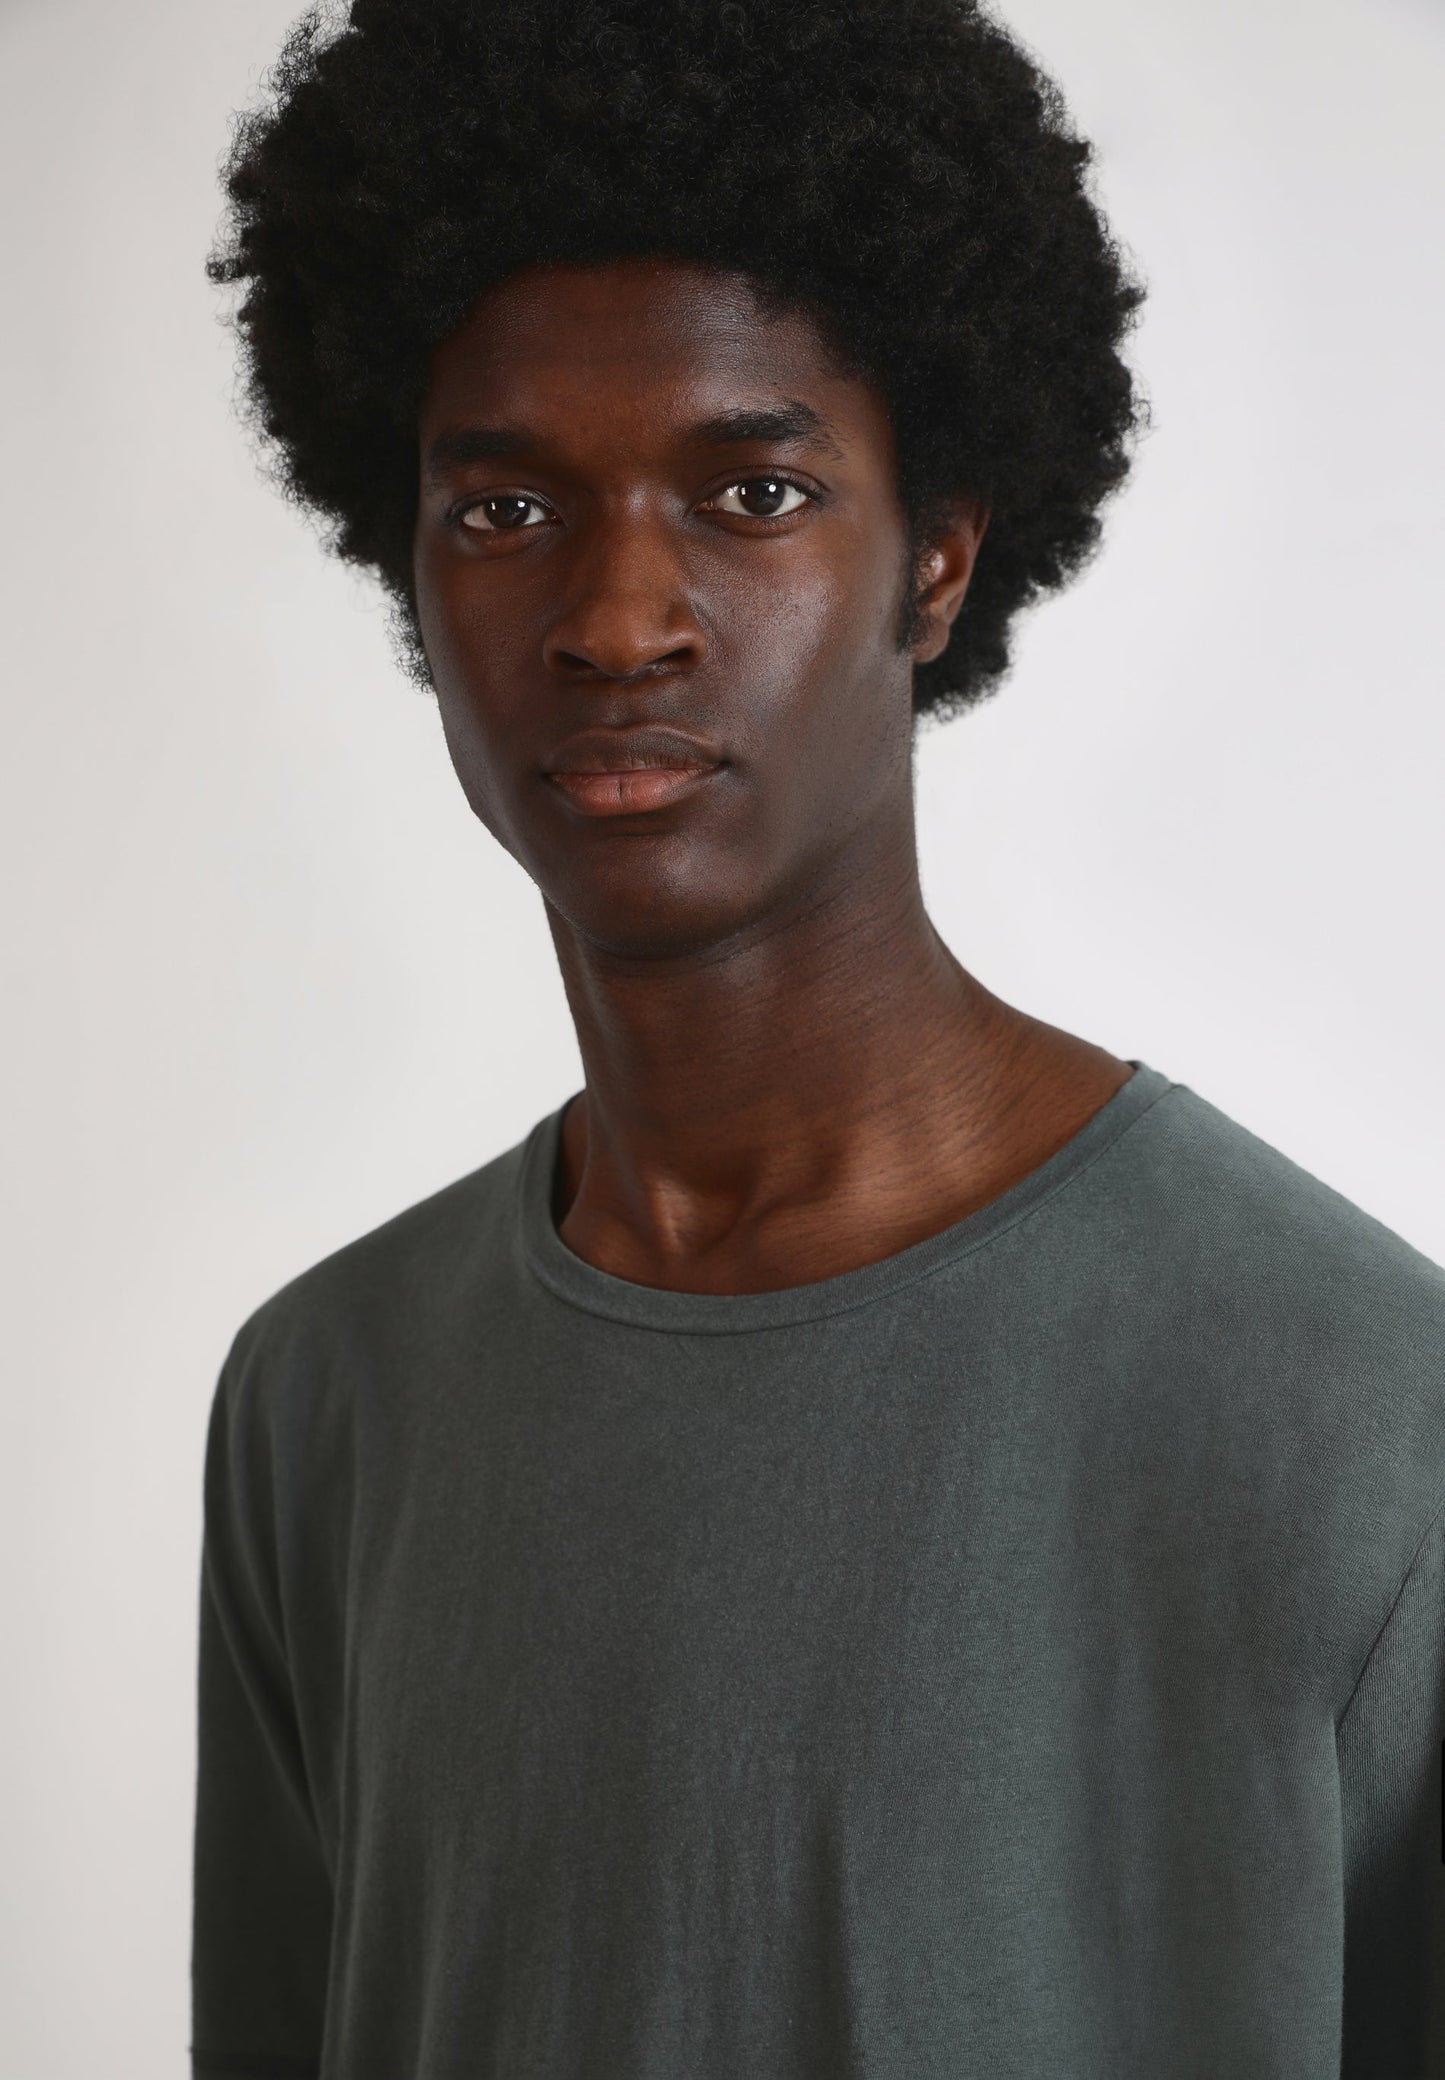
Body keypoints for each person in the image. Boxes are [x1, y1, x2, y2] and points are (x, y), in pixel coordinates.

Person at [190, 1, 1445, 2074]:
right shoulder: (326, 1404)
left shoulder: (1359, 1413)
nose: (617, 618)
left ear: (934, 560)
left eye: (752, 491)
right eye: (504, 512)